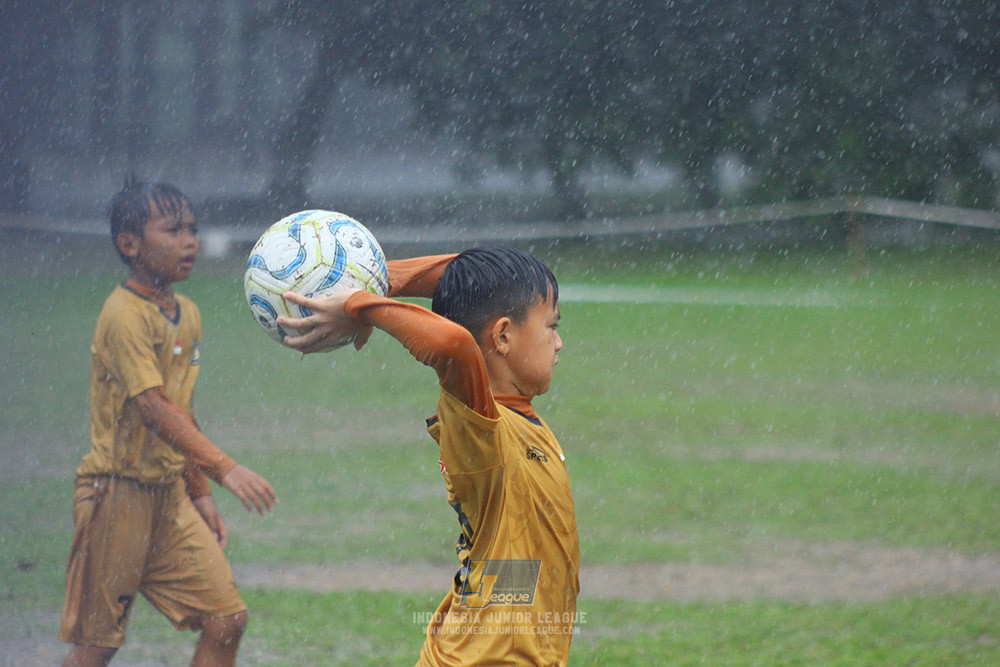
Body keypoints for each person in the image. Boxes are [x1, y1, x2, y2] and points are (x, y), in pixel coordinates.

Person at [279, 247, 580, 665]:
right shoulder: (480, 425)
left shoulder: (516, 415)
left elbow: (467, 273)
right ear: (503, 336)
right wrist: (361, 304)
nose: (559, 342)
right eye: (552, 326)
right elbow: (454, 344)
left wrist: (377, 282)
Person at [60, 180, 278, 667]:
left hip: (169, 497)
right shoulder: (123, 316)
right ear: (129, 245)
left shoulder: (189, 314)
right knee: (99, 643)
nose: (190, 241)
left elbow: (181, 408)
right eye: (174, 230)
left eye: (194, 230)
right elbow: (153, 408)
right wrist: (226, 469)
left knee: (226, 620)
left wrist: (199, 491)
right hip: (116, 496)